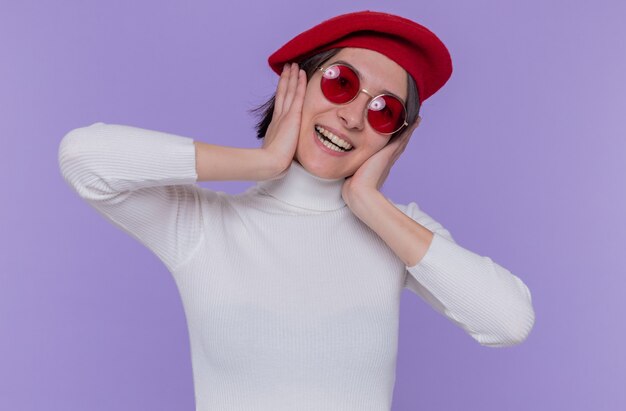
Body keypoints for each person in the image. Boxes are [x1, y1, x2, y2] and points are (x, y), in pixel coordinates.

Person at [58, 10, 535, 411]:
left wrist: (367, 202)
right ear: (298, 86)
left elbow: (508, 321)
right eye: (341, 83)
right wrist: (262, 162)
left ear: (396, 138)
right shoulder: (203, 226)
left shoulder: (395, 232)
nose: (352, 116)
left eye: (384, 111)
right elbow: (83, 157)